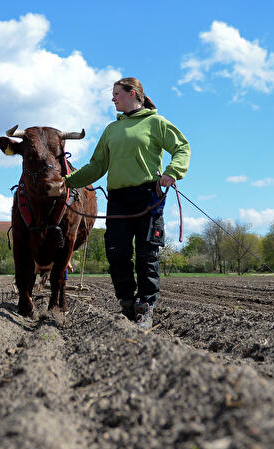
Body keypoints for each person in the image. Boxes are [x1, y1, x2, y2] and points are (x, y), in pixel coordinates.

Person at [63, 77, 190, 328]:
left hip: (148, 195)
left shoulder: (156, 123)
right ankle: (127, 304)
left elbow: (182, 148)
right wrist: (66, 181)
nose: (113, 98)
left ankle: (146, 306)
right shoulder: (111, 129)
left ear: (132, 94)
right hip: (118, 199)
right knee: (117, 253)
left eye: (116, 94)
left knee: (146, 253)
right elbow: (97, 166)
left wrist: (172, 172)